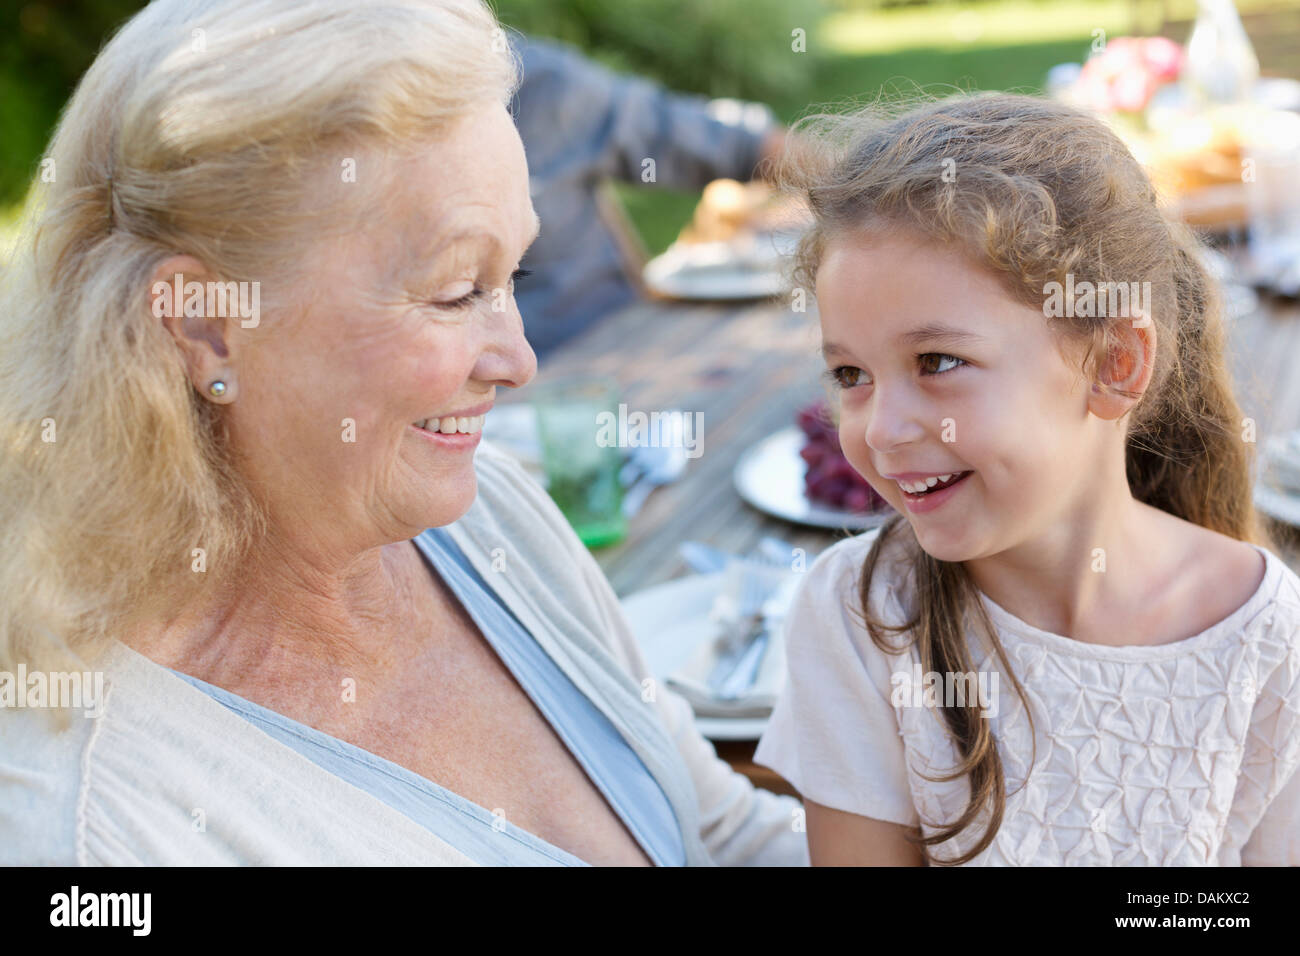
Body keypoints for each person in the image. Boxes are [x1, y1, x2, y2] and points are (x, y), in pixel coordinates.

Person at [0, 0, 807, 867]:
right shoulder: (98, 837)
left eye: (515, 274)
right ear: (205, 325)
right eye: (457, 289)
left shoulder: (490, 515)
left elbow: (719, 833)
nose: (518, 358)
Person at [753, 92, 1300, 865]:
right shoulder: (864, 620)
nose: (879, 430)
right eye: (851, 372)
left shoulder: (1263, 635)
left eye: (937, 362)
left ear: (1115, 364)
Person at [510, 33, 784, 357]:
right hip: (518, 392)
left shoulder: (536, 81)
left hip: (634, 344)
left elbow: (723, 140)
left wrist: (846, 185)